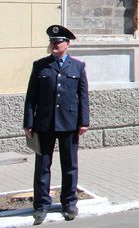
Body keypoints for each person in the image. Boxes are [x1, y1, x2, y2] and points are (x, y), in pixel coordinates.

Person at [23, 25, 89, 225]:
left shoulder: (78, 66)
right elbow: (31, 97)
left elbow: (83, 96)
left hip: (69, 123)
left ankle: (69, 203)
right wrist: (28, 122)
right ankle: (41, 205)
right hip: (44, 124)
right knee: (43, 166)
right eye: (51, 42)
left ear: (67, 45)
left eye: (57, 42)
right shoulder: (40, 66)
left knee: (70, 165)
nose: (53, 45)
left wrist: (84, 121)